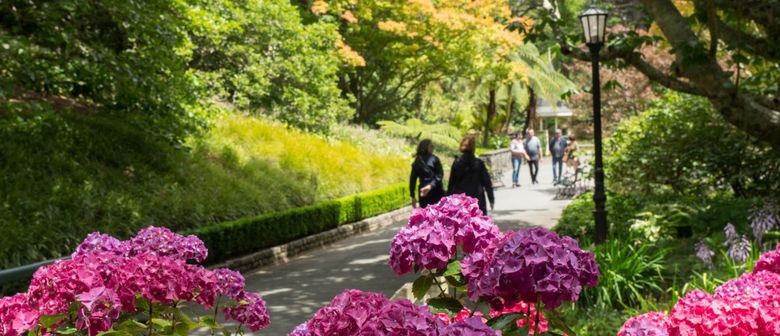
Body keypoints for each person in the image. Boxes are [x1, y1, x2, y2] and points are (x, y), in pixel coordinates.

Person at [447, 136, 495, 215]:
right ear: (473, 148)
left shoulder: (457, 163)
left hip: (460, 200)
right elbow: (487, 182)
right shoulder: (479, 163)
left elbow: (451, 184)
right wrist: (491, 199)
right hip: (477, 198)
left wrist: (448, 199)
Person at [409, 139, 445, 208]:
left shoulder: (417, 161)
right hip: (436, 190)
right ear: (425, 147)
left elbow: (412, 180)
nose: (433, 148)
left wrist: (412, 196)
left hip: (423, 193)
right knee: (439, 213)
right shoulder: (434, 159)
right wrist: (431, 186)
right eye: (431, 146)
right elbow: (440, 175)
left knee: (426, 215)